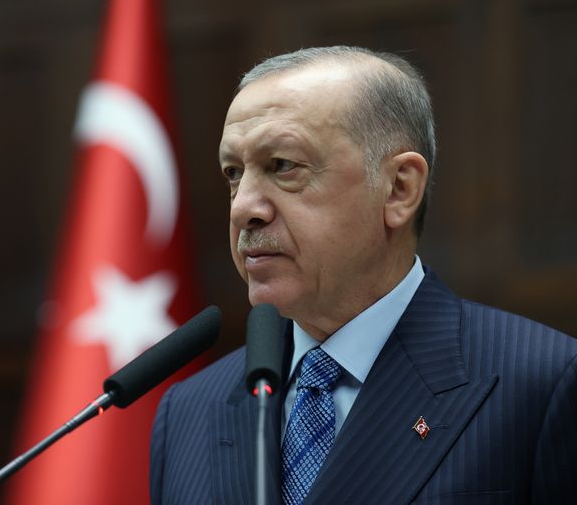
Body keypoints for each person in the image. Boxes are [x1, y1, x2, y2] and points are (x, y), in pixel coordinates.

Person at [149, 46, 577, 504]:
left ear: (399, 188)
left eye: (283, 166)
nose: (244, 207)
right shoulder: (189, 411)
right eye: (234, 173)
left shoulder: (542, 381)